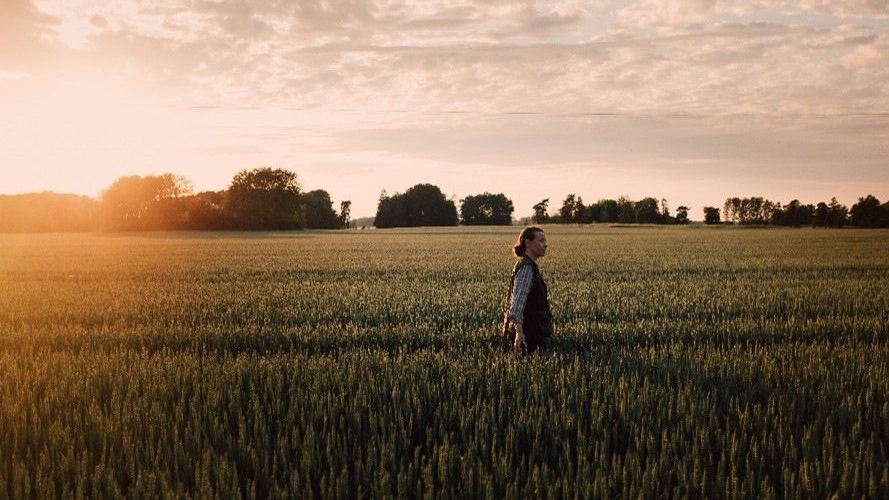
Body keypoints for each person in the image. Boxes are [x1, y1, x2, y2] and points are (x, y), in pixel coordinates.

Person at [502, 226, 553, 354]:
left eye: (545, 241)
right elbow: (517, 305)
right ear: (528, 243)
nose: (545, 245)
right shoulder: (526, 268)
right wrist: (519, 333)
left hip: (532, 332)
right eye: (541, 241)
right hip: (528, 336)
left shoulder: (528, 265)